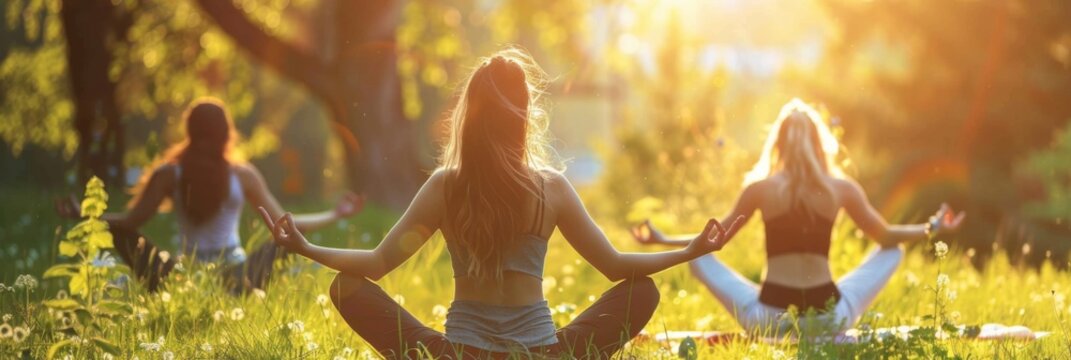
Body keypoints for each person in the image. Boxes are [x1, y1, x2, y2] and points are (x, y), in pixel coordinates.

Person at [258, 48, 744, 359]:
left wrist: (303, 247)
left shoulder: (446, 185)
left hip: (458, 356)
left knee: (348, 288)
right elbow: (618, 268)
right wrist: (691, 251)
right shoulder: (550, 187)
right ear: (524, 116)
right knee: (644, 292)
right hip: (543, 355)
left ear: (470, 115)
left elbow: (376, 264)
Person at [632, 99, 965, 334]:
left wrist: (661, 240)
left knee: (698, 259)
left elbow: (711, 244)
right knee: (894, 250)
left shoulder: (759, 189)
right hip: (828, 318)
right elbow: (887, 237)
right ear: (821, 144)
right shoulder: (841, 188)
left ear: (777, 144)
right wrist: (932, 227)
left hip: (768, 318)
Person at [57, 97, 362, 293]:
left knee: (118, 231)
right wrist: (336, 214)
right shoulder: (241, 175)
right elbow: (285, 226)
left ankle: (164, 291)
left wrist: (87, 216)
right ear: (226, 133)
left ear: (189, 131)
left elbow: (131, 221)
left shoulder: (169, 173)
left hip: (179, 277)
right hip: (238, 278)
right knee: (283, 242)